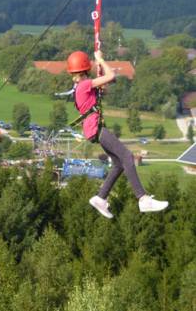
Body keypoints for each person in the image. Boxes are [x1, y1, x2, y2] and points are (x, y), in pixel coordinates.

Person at [67, 50, 168, 219]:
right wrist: (101, 59)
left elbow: (104, 87)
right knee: (127, 157)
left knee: (119, 164)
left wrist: (101, 84)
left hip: (94, 130)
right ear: (86, 68)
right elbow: (111, 76)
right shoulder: (85, 85)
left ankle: (100, 198)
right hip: (97, 129)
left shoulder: (80, 87)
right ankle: (143, 199)